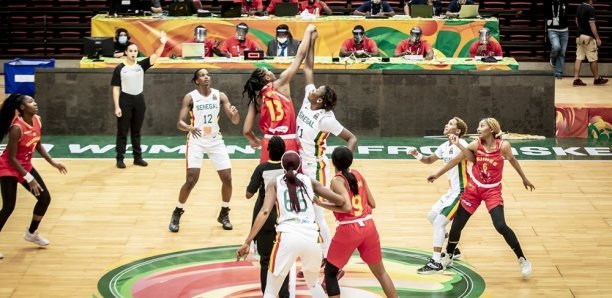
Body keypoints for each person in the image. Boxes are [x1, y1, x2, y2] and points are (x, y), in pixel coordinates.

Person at [427, 118, 535, 277]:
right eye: (478, 126)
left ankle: (522, 259)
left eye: (481, 126)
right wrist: (438, 172)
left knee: (500, 225)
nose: (478, 129)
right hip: (474, 189)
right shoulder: (475, 144)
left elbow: (512, 160)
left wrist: (524, 178)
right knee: (456, 226)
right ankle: (448, 256)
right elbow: (464, 159)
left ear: (491, 129)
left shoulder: (503, 146)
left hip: (492, 191)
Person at [236, 151, 347, 298]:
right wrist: (319, 201)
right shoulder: (309, 180)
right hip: (312, 237)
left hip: (287, 237)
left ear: (282, 166)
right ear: (299, 165)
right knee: (314, 285)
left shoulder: (275, 182)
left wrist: (247, 241)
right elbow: (340, 201)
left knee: (270, 291)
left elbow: (264, 212)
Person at [299, 27, 357, 269]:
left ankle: (330, 257)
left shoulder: (326, 119)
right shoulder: (308, 98)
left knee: (317, 213)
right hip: (300, 161)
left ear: (320, 100)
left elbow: (351, 138)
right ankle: (313, 249)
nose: (315, 89)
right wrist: (312, 41)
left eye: (319, 91)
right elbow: (308, 68)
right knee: (305, 210)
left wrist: (344, 168)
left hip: (315, 166)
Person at [168, 68, 240, 232]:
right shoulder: (190, 97)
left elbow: (235, 120)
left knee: (227, 178)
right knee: (192, 179)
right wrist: (188, 127)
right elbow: (180, 122)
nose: (206, 77)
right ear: (196, 81)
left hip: (215, 140)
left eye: (208, 74)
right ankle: (177, 211)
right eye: (202, 75)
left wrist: (235, 114)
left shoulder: (220, 95)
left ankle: (224, 212)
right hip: (197, 140)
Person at [0, 94, 68, 259]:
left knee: (45, 198)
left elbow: (37, 143)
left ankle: (31, 233)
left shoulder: (37, 119)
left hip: (25, 166)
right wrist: (29, 178)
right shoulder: (16, 128)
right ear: (22, 107)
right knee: (9, 206)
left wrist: (52, 162)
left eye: (34, 100)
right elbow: (11, 158)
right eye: (30, 101)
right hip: (8, 167)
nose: (34, 103)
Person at [324, 146, 397, 298]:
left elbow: (347, 206)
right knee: (381, 273)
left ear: (333, 162)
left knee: (330, 273)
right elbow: (373, 203)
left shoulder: (337, 181)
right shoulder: (357, 174)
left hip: (349, 228)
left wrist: (320, 203)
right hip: (368, 225)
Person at [242, 24, 317, 163]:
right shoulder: (281, 83)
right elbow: (300, 55)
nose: (270, 70)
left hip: (268, 142)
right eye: (267, 70)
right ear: (267, 78)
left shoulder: (255, 100)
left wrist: (255, 141)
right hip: (288, 141)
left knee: (268, 181)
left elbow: (246, 130)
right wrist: (307, 31)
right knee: (291, 180)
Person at [409, 117, 468, 274]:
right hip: (452, 192)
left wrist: (437, 174)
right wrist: (417, 154)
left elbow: (454, 162)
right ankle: (452, 249)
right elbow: (429, 160)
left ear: (458, 131)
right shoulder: (444, 146)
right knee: (432, 217)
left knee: (439, 223)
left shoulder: (463, 146)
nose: (446, 125)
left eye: (450, 124)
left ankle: (436, 262)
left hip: (463, 191)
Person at [110, 31, 167, 169]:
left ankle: (137, 158)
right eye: (131, 51)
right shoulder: (120, 68)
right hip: (125, 100)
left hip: (139, 100)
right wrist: (117, 106)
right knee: (122, 131)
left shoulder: (141, 66)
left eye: (135, 51)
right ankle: (120, 158)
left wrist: (163, 43)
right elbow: (116, 88)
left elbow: (155, 56)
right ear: (126, 52)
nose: (133, 53)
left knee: (136, 131)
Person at [245, 136, 290, 298]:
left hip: (265, 218)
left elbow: (249, 194)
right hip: (285, 217)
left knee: (265, 259)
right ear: (284, 150)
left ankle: (268, 294)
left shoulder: (261, 169)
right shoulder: (289, 168)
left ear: (268, 150)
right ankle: (284, 294)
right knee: (283, 259)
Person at [572, 0, 608, 86]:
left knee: (579, 58)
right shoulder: (590, 8)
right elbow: (592, 24)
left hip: (579, 37)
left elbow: (576, 20)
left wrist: (581, 29)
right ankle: (596, 79)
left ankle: (576, 79)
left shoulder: (579, 7)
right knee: (593, 58)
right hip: (588, 38)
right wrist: (597, 38)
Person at [545, 0, 569, 80]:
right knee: (556, 47)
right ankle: (553, 58)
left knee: (562, 52)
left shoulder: (564, 1)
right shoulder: (548, 2)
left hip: (564, 30)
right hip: (552, 29)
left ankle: (558, 73)